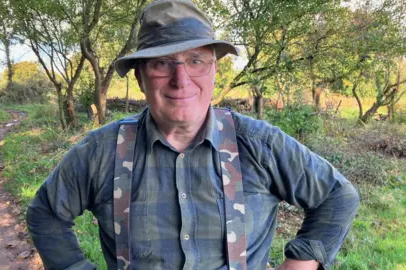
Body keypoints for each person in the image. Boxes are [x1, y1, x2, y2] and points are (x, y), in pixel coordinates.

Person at [26, 0, 359, 269]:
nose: (180, 80)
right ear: (141, 77)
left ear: (214, 70)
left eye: (196, 60)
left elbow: (337, 195)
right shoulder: (100, 152)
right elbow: (46, 212)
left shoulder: (260, 144)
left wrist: (300, 262)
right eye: (162, 63)